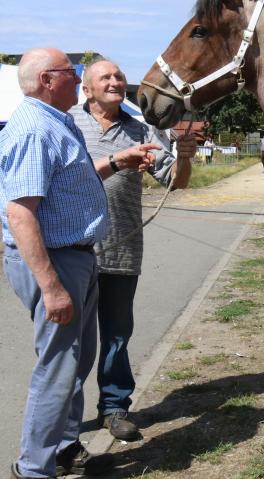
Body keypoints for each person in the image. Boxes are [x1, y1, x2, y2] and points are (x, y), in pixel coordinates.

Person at [0, 48, 158, 479]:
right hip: (57, 261)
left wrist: (117, 161)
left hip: (78, 257)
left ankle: (65, 448)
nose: (79, 78)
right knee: (57, 367)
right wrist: (50, 286)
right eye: (73, 72)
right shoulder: (34, 128)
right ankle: (31, 471)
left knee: (76, 361)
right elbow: (20, 212)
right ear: (49, 80)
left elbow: (74, 176)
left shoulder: (57, 120)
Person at [68, 59, 194, 443]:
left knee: (117, 336)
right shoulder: (67, 124)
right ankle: (65, 423)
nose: (116, 81)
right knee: (72, 342)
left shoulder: (141, 128)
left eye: (119, 76)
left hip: (122, 251)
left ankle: (114, 408)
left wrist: (184, 156)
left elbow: (176, 181)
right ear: (86, 89)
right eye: (105, 76)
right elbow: (63, 174)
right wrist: (116, 161)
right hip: (73, 251)